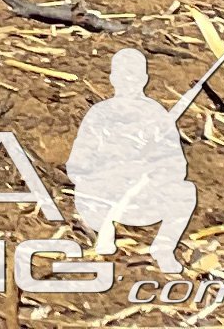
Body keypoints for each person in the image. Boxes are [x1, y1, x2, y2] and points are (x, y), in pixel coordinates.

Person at [68, 49, 198, 272]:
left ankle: (163, 249)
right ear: (113, 79)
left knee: (186, 191)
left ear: (144, 80)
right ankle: (103, 231)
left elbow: (177, 166)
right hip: (101, 198)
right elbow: (76, 167)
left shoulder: (157, 115)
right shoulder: (99, 114)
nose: (128, 82)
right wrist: (111, 169)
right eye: (123, 76)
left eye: (134, 77)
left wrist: (149, 170)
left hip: (142, 198)